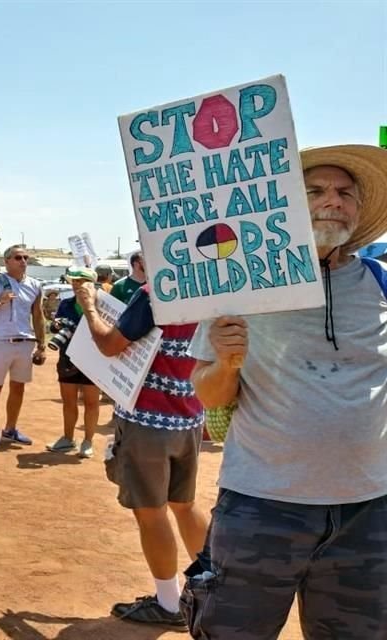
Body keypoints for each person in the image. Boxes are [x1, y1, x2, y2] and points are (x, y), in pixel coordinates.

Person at [184, 144, 387, 639]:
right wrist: (229, 362)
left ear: (359, 210)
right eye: (315, 190)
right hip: (261, 505)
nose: (333, 201)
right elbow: (208, 397)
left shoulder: (381, 284)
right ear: (283, 207)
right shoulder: (237, 286)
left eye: (345, 193)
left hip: (370, 511)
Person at [71, 270, 207, 629]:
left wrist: (88, 304)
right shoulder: (209, 289)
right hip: (189, 416)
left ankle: (168, 603)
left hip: (147, 418)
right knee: (185, 506)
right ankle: (215, 591)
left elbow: (110, 344)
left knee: (151, 512)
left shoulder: (156, 292)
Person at [0, 244, 46, 448]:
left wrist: (42, 344)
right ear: (6, 262)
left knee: (18, 388)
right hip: (0, 342)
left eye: (25, 257)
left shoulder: (34, 285)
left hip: (25, 342)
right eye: (18, 258)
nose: (23, 261)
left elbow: (38, 315)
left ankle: (10, 429)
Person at [45, 295, 99, 458]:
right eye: (75, 282)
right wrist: (56, 325)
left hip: (93, 358)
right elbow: (55, 328)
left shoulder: (101, 303)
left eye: (82, 281)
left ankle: (88, 442)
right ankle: (68, 438)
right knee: (68, 401)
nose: (78, 285)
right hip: (67, 358)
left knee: (91, 402)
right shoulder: (66, 303)